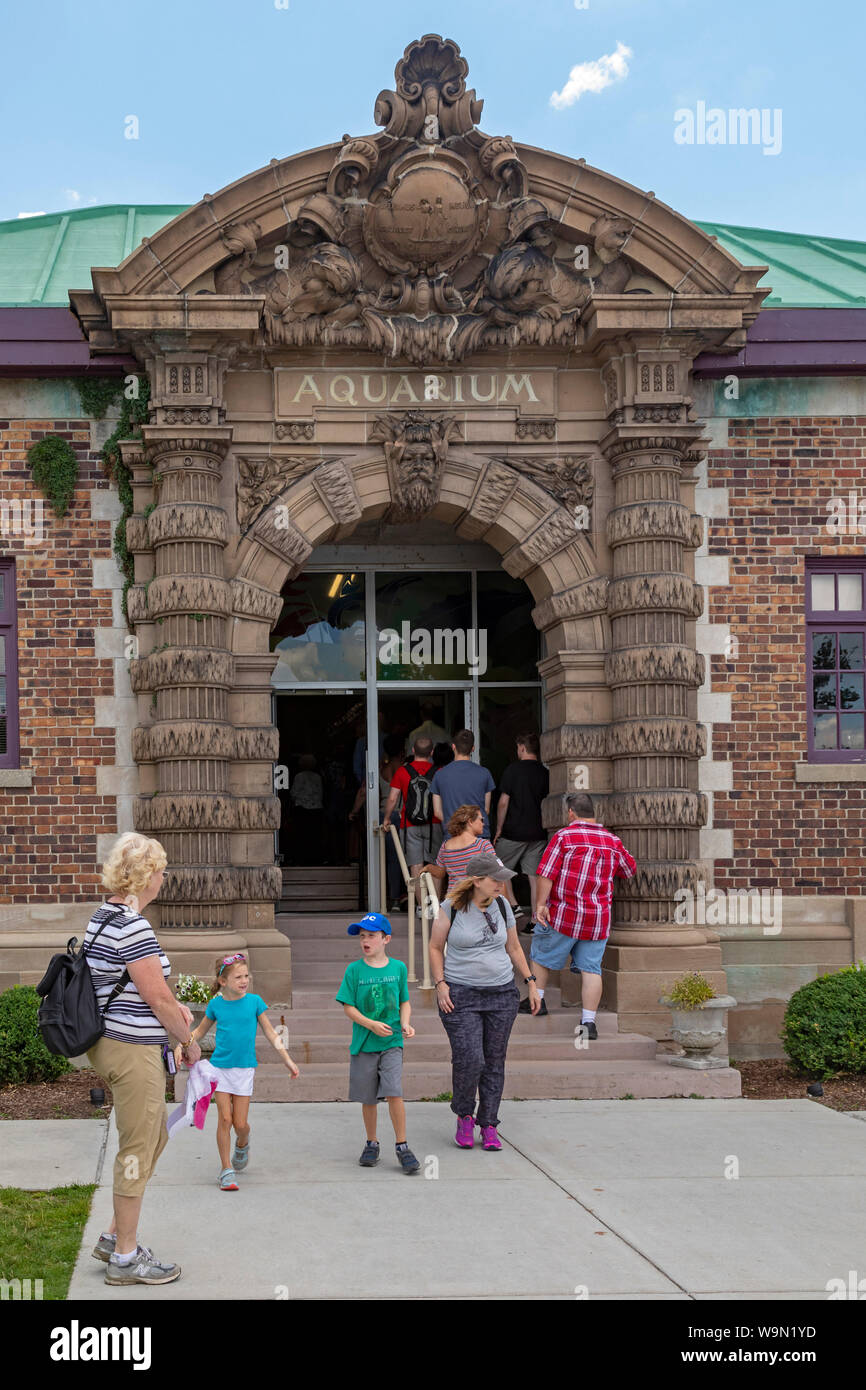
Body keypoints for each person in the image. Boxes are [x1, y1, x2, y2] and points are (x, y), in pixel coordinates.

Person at [85, 832, 201, 1287]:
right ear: (147, 877)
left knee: (154, 1137)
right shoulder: (133, 926)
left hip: (115, 1042)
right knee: (137, 1149)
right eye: (162, 870)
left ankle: (116, 1237)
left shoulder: (105, 915)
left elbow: (139, 989)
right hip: (131, 1050)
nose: (164, 877)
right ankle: (126, 1258)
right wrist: (188, 1039)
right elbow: (156, 997)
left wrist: (173, 1014)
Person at [429, 854, 541, 1151]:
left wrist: (531, 983)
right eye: (495, 879)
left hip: (501, 994)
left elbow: (514, 947)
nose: (502, 884)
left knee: (494, 1060)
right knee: (470, 1058)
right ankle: (464, 1114)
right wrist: (441, 985)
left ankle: (489, 1123)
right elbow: (435, 947)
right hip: (461, 994)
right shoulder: (450, 908)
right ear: (477, 880)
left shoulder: (503, 905)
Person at [180, 953, 299, 1189]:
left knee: (240, 1124)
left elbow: (271, 1033)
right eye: (238, 977)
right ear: (223, 981)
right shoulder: (216, 1005)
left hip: (244, 1070)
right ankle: (226, 1169)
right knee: (224, 1119)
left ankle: (243, 1143)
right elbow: (200, 1032)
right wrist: (182, 1045)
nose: (244, 980)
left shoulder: (254, 1002)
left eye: (246, 976)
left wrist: (287, 1060)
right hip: (220, 1069)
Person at [522, 792, 637, 1028]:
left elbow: (546, 873)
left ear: (571, 812)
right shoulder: (612, 840)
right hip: (597, 919)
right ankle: (588, 1022)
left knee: (541, 955)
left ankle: (538, 1001)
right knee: (591, 969)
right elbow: (629, 869)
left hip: (564, 913)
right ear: (593, 813)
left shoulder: (564, 836)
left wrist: (541, 905)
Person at [335, 912, 420, 1173]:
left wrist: (405, 1023)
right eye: (362, 936)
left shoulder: (398, 968)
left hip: (392, 1042)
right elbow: (348, 1007)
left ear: (386, 939)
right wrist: (370, 1024)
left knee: (394, 1091)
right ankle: (372, 1142)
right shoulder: (354, 970)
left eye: (372, 935)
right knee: (369, 1097)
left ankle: (402, 1145)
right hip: (364, 1043)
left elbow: (404, 1001)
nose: (366, 940)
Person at [493, 733, 550, 933]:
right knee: (534, 877)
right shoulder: (545, 773)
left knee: (497, 865)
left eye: (518, 748)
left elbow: (503, 802)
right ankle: (535, 921)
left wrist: (499, 828)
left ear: (523, 748)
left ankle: (514, 904)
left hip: (513, 831)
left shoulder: (512, 770)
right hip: (538, 832)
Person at [422, 805, 517, 917]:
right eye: (481, 820)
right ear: (470, 821)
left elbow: (440, 873)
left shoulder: (446, 845)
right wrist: (504, 911)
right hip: (477, 903)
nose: (483, 823)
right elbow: (498, 876)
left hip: (453, 903)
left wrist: (428, 867)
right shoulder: (483, 845)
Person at [381, 736, 443, 886]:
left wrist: (387, 818)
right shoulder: (439, 772)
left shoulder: (402, 771)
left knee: (415, 865)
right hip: (433, 823)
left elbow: (392, 798)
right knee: (435, 865)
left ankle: (420, 907)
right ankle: (435, 907)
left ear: (413, 750)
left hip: (409, 825)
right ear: (432, 752)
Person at [431, 729, 495, 837]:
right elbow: (486, 809)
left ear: (453, 747)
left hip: (454, 836)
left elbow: (437, 812)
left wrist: (455, 824)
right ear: (473, 748)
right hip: (479, 836)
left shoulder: (440, 775)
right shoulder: (485, 773)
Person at [289, 753, 323, 862]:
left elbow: (294, 793)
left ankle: (301, 858)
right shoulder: (318, 777)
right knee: (314, 836)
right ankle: (315, 858)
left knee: (301, 836)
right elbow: (320, 794)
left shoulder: (299, 776)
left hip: (302, 809)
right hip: (316, 809)